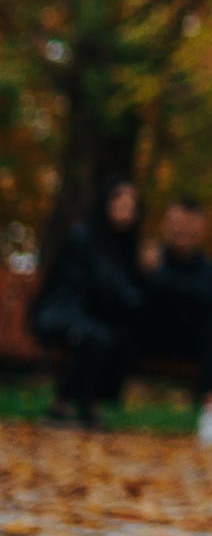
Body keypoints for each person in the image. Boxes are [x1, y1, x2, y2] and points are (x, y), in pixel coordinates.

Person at [30, 180, 147, 428]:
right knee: (97, 337)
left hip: (92, 316)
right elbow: (105, 285)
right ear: (106, 203)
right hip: (63, 312)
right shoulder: (86, 237)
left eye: (132, 206)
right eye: (120, 203)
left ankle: (90, 402)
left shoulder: (126, 247)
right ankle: (63, 404)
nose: (126, 211)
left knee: (122, 335)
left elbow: (127, 291)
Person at [145, 195, 212, 419]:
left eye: (190, 228)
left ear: (202, 230)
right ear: (166, 225)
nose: (183, 233)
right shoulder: (147, 262)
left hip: (197, 344)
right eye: (177, 226)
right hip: (150, 338)